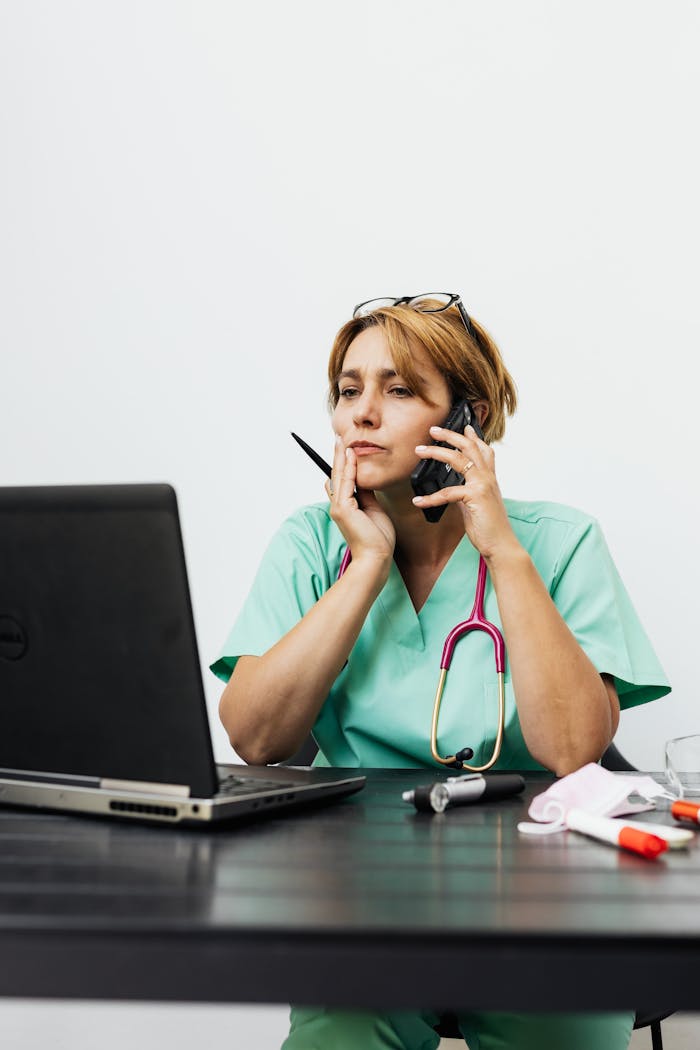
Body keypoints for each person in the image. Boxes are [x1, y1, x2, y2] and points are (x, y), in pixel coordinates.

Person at [211, 294, 670, 1050]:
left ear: (468, 419)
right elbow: (258, 740)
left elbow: (570, 750)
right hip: (356, 895)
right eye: (347, 390)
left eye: (398, 390)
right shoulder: (307, 546)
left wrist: (503, 552)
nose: (360, 414)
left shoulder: (559, 541)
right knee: (343, 1032)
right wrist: (366, 564)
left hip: (538, 896)